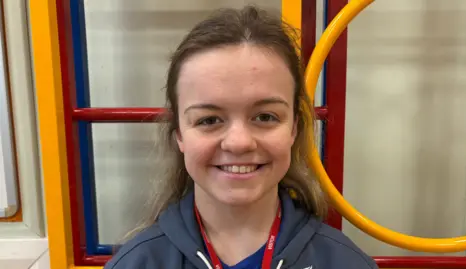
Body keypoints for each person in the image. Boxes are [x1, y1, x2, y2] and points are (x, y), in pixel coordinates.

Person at [104, 5, 378, 269]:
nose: (239, 142)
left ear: (294, 127)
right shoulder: (136, 262)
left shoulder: (346, 262)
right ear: (179, 135)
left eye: (265, 117)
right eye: (209, 120)